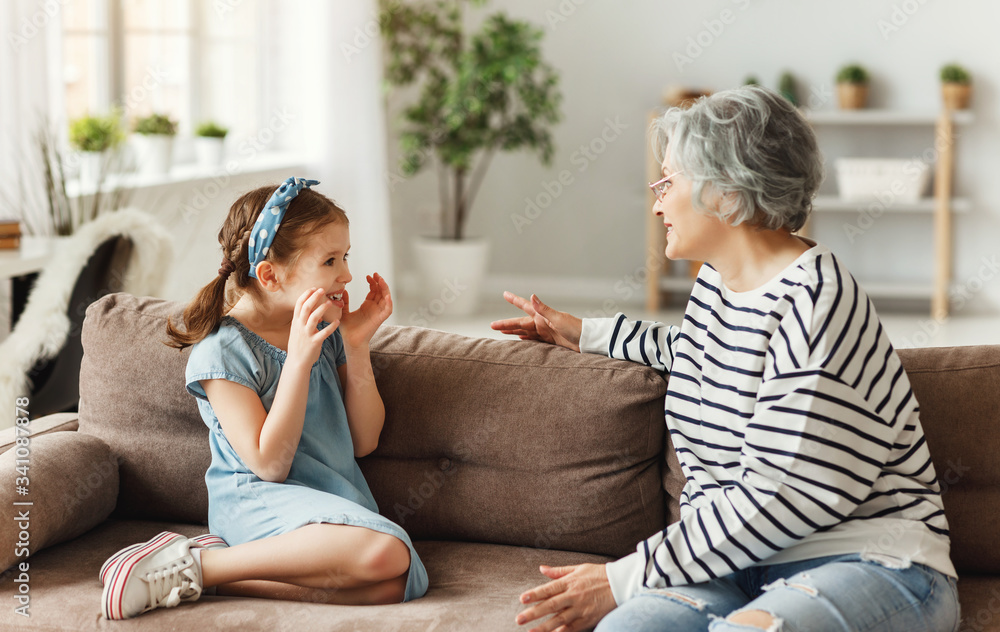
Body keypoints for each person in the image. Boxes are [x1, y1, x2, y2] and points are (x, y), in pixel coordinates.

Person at [492, 86, 959, 632]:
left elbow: (783, 495)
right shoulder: (718, 282)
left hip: (867, 560)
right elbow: (699, 354)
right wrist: (587, 334)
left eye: (668, 182)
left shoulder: (818, 300)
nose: (657, 201)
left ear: (730, 194)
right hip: (736, 565)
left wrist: (625, 577)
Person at [99, 177, 428, 620]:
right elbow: (270, 465)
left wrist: (356, 344)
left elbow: (364, 440)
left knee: (394, 584)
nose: (347, 274)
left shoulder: (326, 330)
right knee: (387, 554)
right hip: (258, 502)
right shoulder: (224, 350)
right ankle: (199, 563)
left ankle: (211, 576)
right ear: (271, 275)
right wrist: (297, 361)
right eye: (330, 260)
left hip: (324, 502)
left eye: (345, 256)